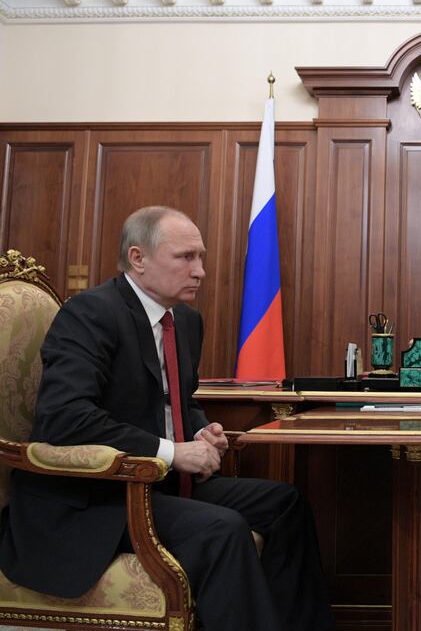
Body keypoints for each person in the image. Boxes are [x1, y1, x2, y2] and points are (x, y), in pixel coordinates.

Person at [0, 206, 334, 631]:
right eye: (185, 257)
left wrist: (198, 428)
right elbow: (66, 418)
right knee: (224, 529)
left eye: (201, 257)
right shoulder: (90, 314)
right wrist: (173, 451)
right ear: (138, 258)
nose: (201, 271)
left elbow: (177, 398)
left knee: (286, 504)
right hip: (92, 497)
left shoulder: (187, 321)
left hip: (158, 483)